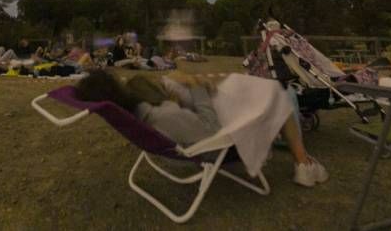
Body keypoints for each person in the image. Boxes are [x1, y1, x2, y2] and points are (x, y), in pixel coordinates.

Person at [75, 70, 329, 187]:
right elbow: (211, 131)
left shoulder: (140, 115)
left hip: (198, 134)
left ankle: (302, 161)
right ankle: (303, 165)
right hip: (221, 147)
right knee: (277, 98)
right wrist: (197, 87)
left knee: (256, 91)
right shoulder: (163, 116)